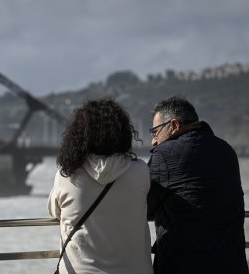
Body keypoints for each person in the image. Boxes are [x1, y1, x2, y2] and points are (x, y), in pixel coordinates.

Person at [48, 98, 153, 274]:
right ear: (123, 133)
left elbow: (54, 211)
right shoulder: (140, 171)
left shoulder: (67, 176)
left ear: (79, 136)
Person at [147, 95, 248, 274]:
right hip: (232, 263)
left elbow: (143, 205)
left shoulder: (164, 154)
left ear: (174, 126)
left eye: (155, 132)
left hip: (183, 265)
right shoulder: (226, 150)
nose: (153, 141)